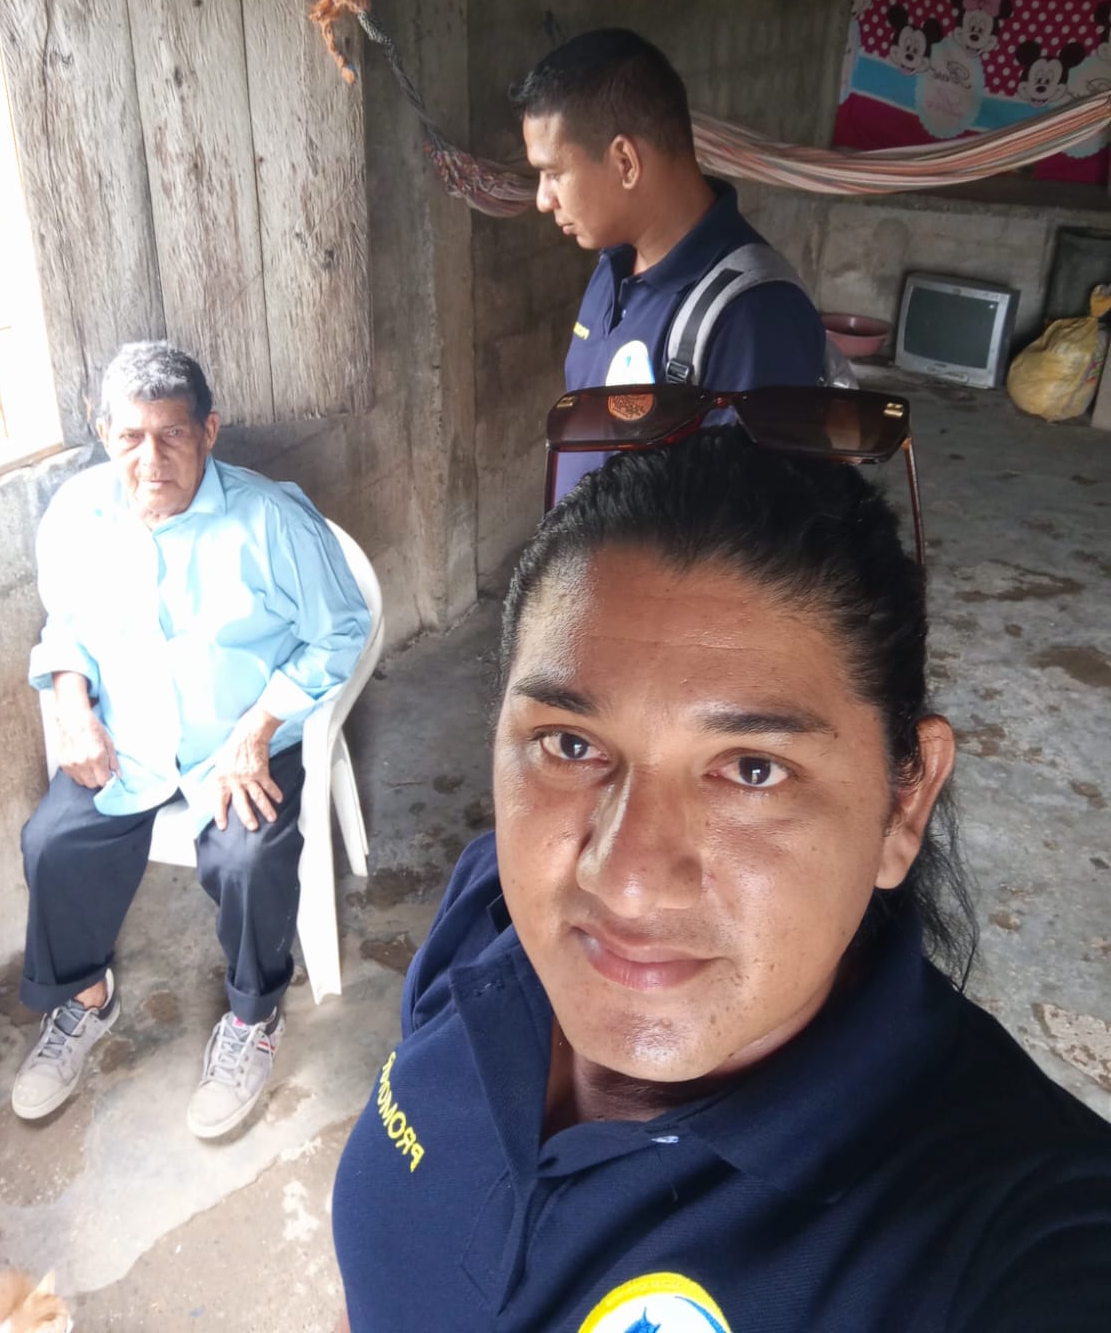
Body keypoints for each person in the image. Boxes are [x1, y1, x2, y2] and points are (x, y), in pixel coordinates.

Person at [331, 425, 1111, 1331]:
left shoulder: (1002, 1233)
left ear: (906, 803)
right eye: (571, 744)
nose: (626, 882)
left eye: (752, 769)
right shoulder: (489, 913)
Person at [12, 341, 369, 1139]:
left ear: (209, 429)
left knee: (248, 859)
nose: (152, 460)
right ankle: (85, 997)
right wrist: (73, 705)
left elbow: (344, 628)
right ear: (105, 435)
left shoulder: (270, 518)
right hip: (130, 738)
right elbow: (65, 627)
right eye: (131, 438)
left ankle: (253, 1017)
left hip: (239, 739)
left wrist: (261, 724)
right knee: (51, 843)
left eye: (172, 434)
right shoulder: (79, 514)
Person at [511, 28, 827, 498]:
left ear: (626, 162)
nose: (543, 199)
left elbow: (751, 528)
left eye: (553, 173)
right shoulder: (613, 267)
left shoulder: (754, 318)